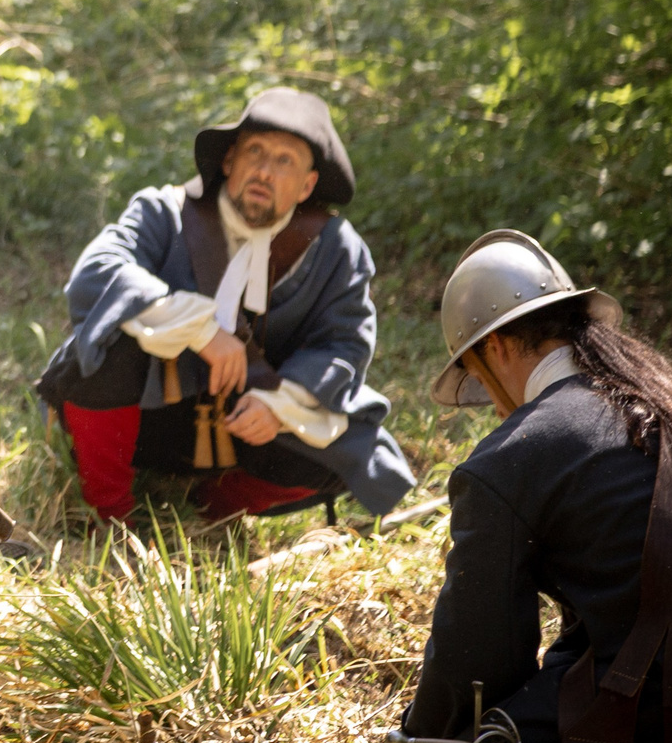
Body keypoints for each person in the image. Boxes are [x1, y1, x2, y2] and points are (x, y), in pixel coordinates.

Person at [403, 229, 672, 743]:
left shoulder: (512, 457)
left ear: (495, 346)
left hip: (663, 724)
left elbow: (480, 655)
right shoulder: (669, 401)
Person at [35, 88, 415, 526]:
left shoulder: (336, 249)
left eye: (285, 160)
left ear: (307, 185)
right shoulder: (165, 211)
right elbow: (98, 272)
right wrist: (200, 330)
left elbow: (344, 346)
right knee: (114, 335)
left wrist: (279, 405)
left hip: (244, 431)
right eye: (255, 151)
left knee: (355, 448)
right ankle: (111, 518)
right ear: (230, 160)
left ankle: (214, 508)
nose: (265, 171)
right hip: (145, 418)